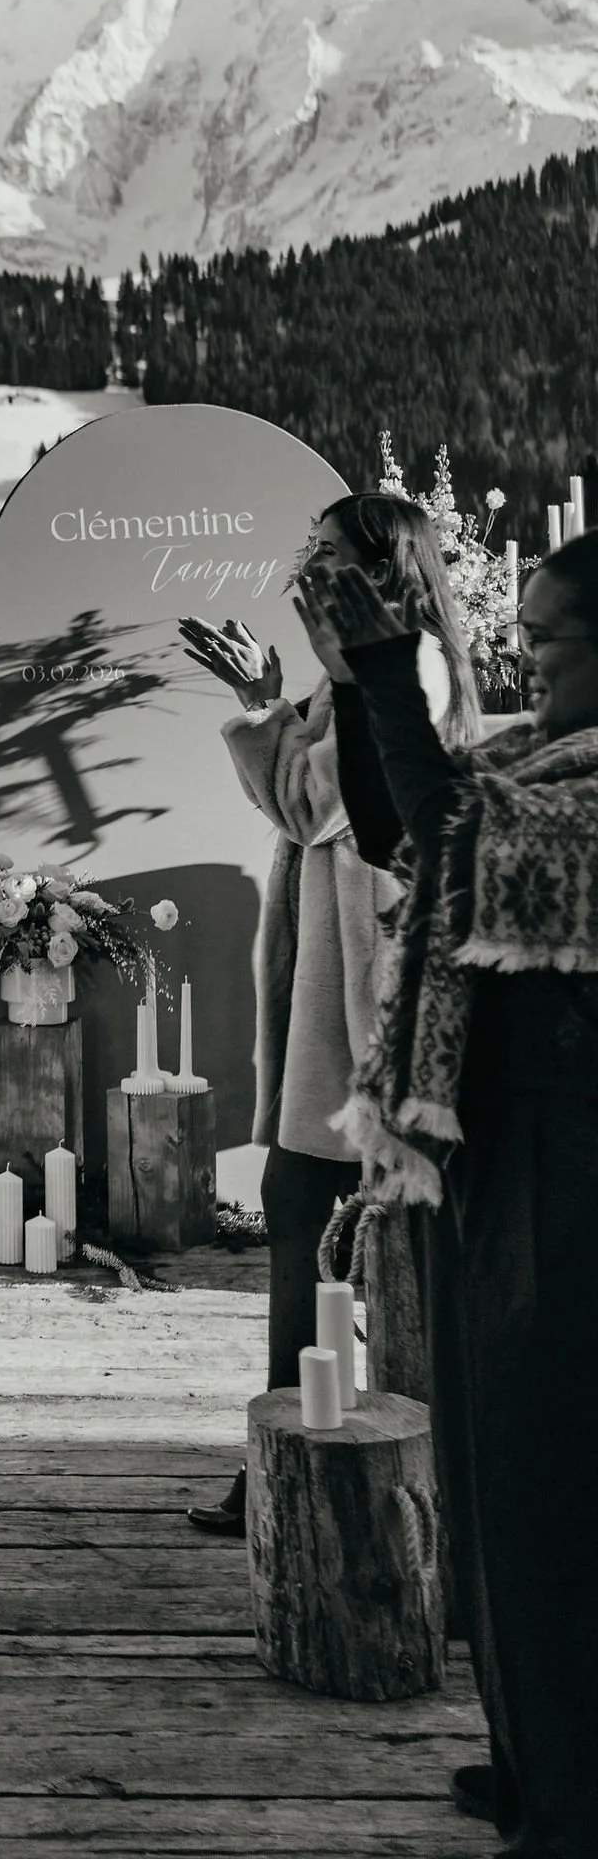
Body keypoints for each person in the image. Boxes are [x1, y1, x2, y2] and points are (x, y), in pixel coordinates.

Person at [305, 532, 598, 1859]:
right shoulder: (542, 756)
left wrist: (382, 663)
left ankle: (575, 1798)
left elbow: (451, 835)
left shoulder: (580, 789)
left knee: (550, 1492)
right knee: (490, 1480)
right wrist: (358, 679)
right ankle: (530, 1754)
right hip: (500, 1144)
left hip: (573, 1161)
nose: (527, 655)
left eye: (548, 639)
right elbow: (395, 822)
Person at [178, 493, 479, 1537]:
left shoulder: (410, 676)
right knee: (306, 1223)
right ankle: (289, 1452)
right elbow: (294, 801)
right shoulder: (353, 678)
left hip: (365, 1010)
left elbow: (315, 807)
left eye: (319, 552)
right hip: (327, 998)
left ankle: (334, 1468)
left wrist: (276, 712)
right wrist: (268, 704)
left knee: (333, 1236)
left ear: (375, 569)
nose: (299, 564)